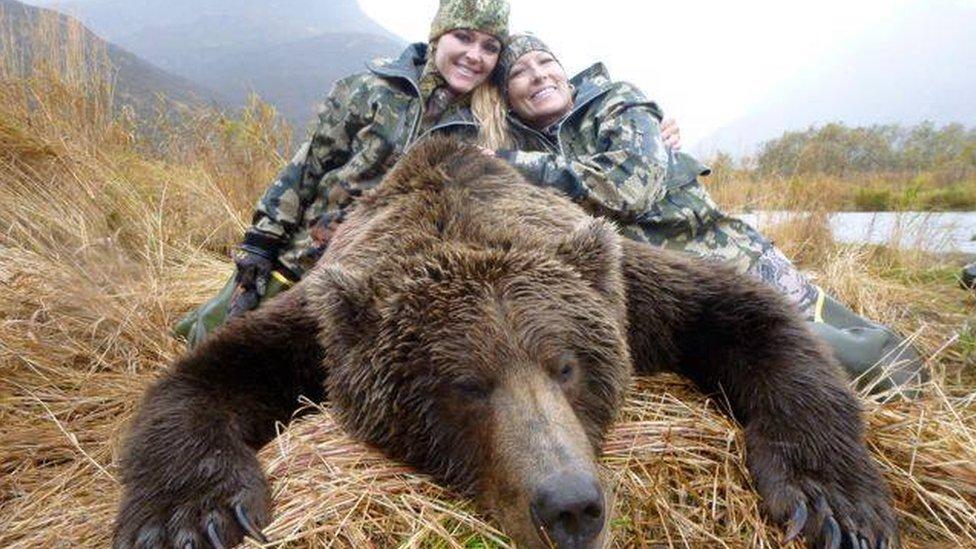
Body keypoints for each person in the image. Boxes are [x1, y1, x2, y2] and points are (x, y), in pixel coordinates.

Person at [490, 33, 928, 396]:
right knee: (773, 356)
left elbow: (630, 187)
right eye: (520, 72)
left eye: (545, 61)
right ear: (507, 96)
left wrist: (512, 162)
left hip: (724, 254)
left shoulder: (616, 102)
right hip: (674, 290)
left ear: (563, 71)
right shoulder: (528, 150)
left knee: (844, 350)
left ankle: (916, 380)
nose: (538, 75)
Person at [175, 0, 511, 346]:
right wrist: (261, 243)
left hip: (372, 291)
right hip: (300, 260)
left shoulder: (481, 132)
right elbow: (307, 168)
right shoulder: (369, 90)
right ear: (438, 36)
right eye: (464, 37)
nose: (475, 55)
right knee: (211, 346)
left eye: (490, 47)